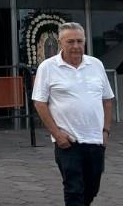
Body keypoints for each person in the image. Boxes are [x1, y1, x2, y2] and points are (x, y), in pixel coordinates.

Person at [31, 22, 114, 206]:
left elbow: (107, 99)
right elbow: (40, 102)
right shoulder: (48, 67)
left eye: (79, 41)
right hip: (68, 141)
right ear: (60, 42)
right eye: (70, 42)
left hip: (96, 140)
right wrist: (57, 135)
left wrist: (106, 131)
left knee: (92, 188)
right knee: (73, 188)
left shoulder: (96, 64)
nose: (76, 46)